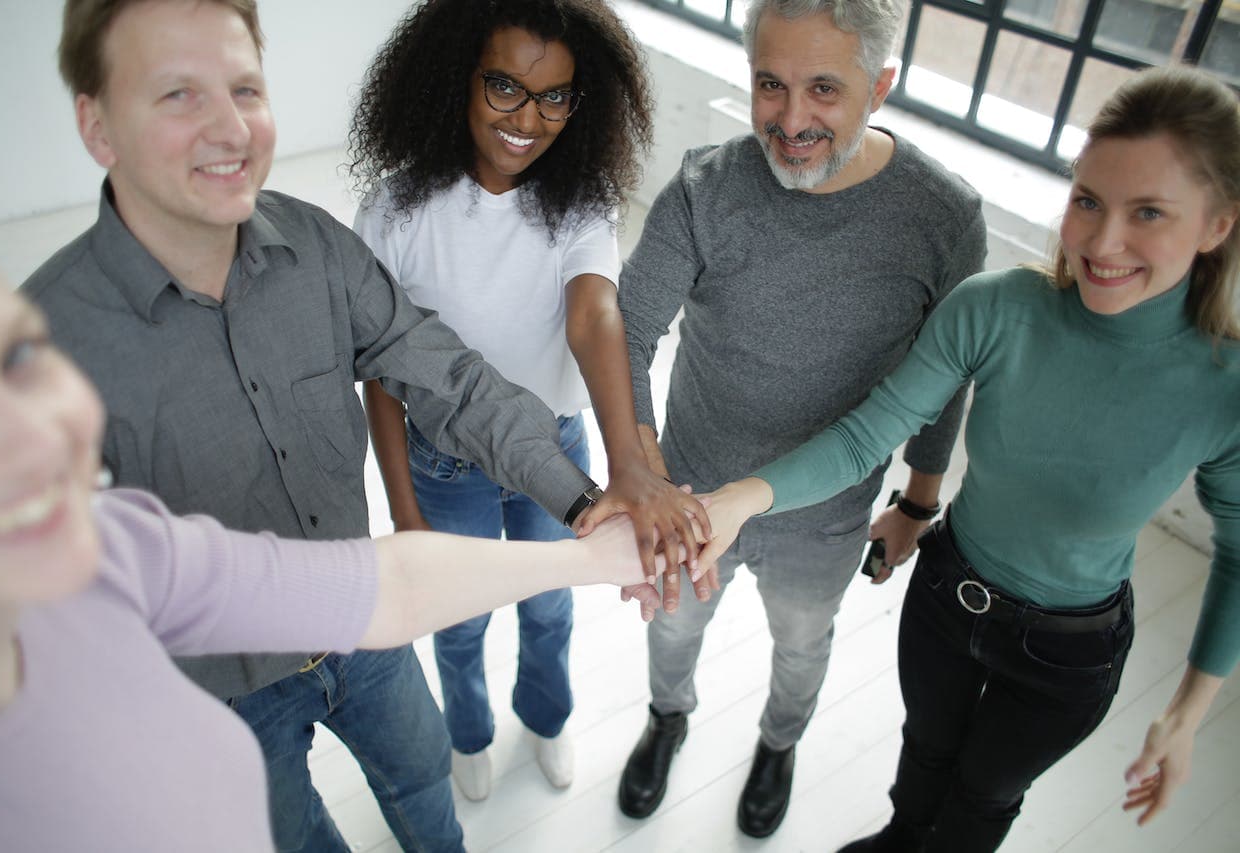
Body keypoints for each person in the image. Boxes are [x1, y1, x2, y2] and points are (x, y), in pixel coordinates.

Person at [23, 1, 658, 850]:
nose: (229, 128)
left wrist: (586, 503)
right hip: (223, 687)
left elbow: (452, 381)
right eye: (178, 93)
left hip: (369, 630)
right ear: (96, 125)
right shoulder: (39, 350)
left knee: (426, 780)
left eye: (245, 88)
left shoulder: (319, 251)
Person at [0, 246, 668, 853]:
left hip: (368, 656)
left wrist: (600, 555)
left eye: (20, 359)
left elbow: (386, 586)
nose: (31, 435)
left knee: (422, 776)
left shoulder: (124, 549)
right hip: (241, 690)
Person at [700, 65, 1240, 852]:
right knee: (922, 761)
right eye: (1087, 200)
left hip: (1069, 654)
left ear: (1218, 224)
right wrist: (738, 498)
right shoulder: (998, 309)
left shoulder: (1221, 390)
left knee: (981, 801)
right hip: (950, 599)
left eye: (1148, 212)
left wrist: (1185, 714)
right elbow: (865, 433)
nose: (1102, 240)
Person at [615, 0, 985, 837]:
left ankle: (778, 743)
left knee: (803, 646)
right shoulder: (705, 187)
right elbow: (626, 334)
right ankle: (667, 716)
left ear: (880, 87)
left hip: (828, 518)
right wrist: (645, 473)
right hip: (692, 494)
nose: (790, 119)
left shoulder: (944, 218)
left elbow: (944, 378)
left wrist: (920, 501)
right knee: (672, 632)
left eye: (824, 88)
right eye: (770, 84)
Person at [346, 0, 702, 801]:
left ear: (582, 103)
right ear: (456, 76)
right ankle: (466, 733)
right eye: (504, 86)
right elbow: (379, 372)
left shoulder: (578, 202)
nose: (527, 118)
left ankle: (544, 718)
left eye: (554, 96)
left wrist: (627, 466)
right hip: (445, 465)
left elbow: (594, 313)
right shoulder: (398, 209)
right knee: (461, 620)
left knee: (548, 610)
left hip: (556, 452)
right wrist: (404, 509)